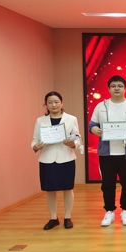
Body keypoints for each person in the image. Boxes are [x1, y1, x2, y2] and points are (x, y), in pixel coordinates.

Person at [88, 75, 126, 227]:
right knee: (107, 184)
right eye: (113, 86)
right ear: (108, 89)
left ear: (125, 88)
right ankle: (109, 211)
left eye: (120, 86)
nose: (116, 89)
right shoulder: (101, 106)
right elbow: (92, 125)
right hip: (106, 153)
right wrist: (97, 131)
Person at [31, 91, 81, 230]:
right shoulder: (40, 121)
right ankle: (53, 218)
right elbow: (34, 140)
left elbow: (77, 138)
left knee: (68, 188)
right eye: (50, 102)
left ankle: (67, 217)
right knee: (50, 190)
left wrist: (73, 144)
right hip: (47, 159)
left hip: (66, 158)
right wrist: (36, 146)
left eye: (56, 102)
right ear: (46, 105)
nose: (53, 105)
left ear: (61, 103)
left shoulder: (71, 119)